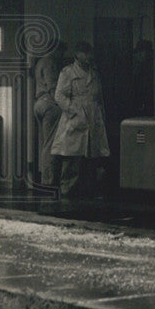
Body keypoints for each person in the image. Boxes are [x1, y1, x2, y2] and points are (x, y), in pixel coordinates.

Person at [51, 41, 110, 198]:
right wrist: (74, 110)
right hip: (76, 116)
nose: (89, 57)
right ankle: (67, 191)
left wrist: (101, 115)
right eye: (86, 53)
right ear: (78, 55)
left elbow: (99, 97)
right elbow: (59, 96)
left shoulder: (94, 72)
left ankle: (89, 190)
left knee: (93, 155)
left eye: (90, 53)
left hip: (93, 115)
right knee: (72, 156)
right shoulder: (68, 72)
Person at [33, 40, 67, 187]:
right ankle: (49, 182)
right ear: (56, 50)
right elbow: (53, 87)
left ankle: (46, 179)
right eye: (61, 51)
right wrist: (65, 107)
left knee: (46, 143)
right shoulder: (50, 63)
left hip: (39, 103)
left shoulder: (40, 61)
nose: (62, 55)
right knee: (51, 145)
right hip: (50, 105)